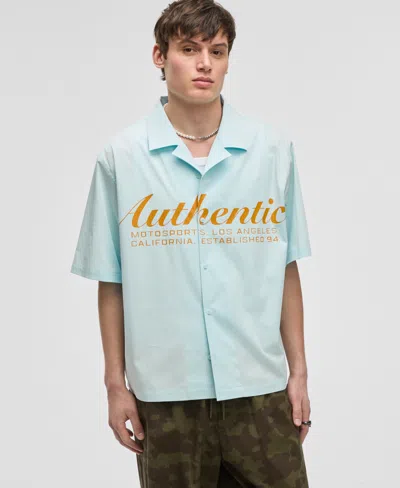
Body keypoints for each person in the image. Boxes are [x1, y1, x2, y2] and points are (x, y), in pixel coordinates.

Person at [70, 0, 313, 486]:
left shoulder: (271, 152)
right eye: (189, 49)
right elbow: (111, 281)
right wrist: (115, 384)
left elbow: (286, 267)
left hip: (258, 389)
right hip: (165, 398)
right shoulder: (122, 158)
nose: (205, 64)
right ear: (159, 57)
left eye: (217, 51)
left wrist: (299, 373)